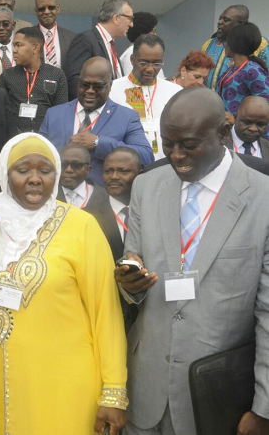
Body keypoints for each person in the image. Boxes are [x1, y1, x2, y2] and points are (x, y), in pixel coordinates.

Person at [0, 132, 128, 435]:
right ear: (5, 174)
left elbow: (106, 315)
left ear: (56, 175)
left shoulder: (81, 226)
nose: (35, 179)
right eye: (23, 170)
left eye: (45, 171)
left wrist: (113, 393)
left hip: (62, 387)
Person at [115, 87, 269, 435]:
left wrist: (265, 406)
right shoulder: (146, 186)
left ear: (222, 133)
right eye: (167, 144)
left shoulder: (263, 199)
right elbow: (133, 260)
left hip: (220, 397)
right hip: (145, 389)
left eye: (187, 144)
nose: (176, 156)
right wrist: (130, 285)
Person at [40, 57, 153, 185]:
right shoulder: (54, 114)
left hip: (100, 199)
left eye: (98, 86)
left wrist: (98, 143)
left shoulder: (127, 118)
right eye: (85, 85)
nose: (90, 91)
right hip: (59, 198)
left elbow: (146, 156)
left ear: (110, 86)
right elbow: (38, 154)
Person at [84, 147, 142, 332]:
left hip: (150, 312)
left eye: (123, 171)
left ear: (140, 175)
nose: (114, 176)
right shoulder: (87, 217)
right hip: (108, 314)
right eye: (108, 171)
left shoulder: (156, 211)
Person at [109, 34, 182, 160]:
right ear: (132, 60)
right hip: (128, 163)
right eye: (144, 63)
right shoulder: (112, 90)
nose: (150, 69)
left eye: (156, 63)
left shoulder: (175, 92)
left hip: (166, 164)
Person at [0, 26, 68, 134]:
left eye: (19, 45)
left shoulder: (56, 74)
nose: (14, 50)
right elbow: (1, 113)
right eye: (13, 46)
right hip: (15, 139)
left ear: (35, 48)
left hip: (46, 138)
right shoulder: (7, 76)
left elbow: (61, 112)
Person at [65, 0, 134, 99]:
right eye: (130, 18)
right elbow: (74, 80)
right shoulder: (86, 39)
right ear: (116, 18)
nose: (132, 24)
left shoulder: (110, 45)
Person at [202, 5, 269, 91]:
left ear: (240, 23)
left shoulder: (259, 43)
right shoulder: (209, 43)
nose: (220, 22)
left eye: (225, 20)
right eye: (220, 18)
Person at [218, 22, 269, 114]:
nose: (225, 45)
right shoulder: (231, 69)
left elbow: (264, 102)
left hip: (243, 127)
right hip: (228, 127)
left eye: (227, 41)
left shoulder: (252, 70)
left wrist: (236, 120)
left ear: (233, 43)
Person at [34, 0, 76, 69]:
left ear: (58, 8)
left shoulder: (72, 38)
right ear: (36, 11)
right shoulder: (28, 36)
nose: (46, 12)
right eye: (41, 9)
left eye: (51, 7)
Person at [56, 143, 106, 208]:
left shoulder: (105, 197)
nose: (68, 170)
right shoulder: (47, 194)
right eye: (63, 164)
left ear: (88, 169)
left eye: (76, 165)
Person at [119, 12, 161, 78]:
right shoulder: (132, 52)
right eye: (153, 32)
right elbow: (133, 83)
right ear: (142, 34)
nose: (156, 35)